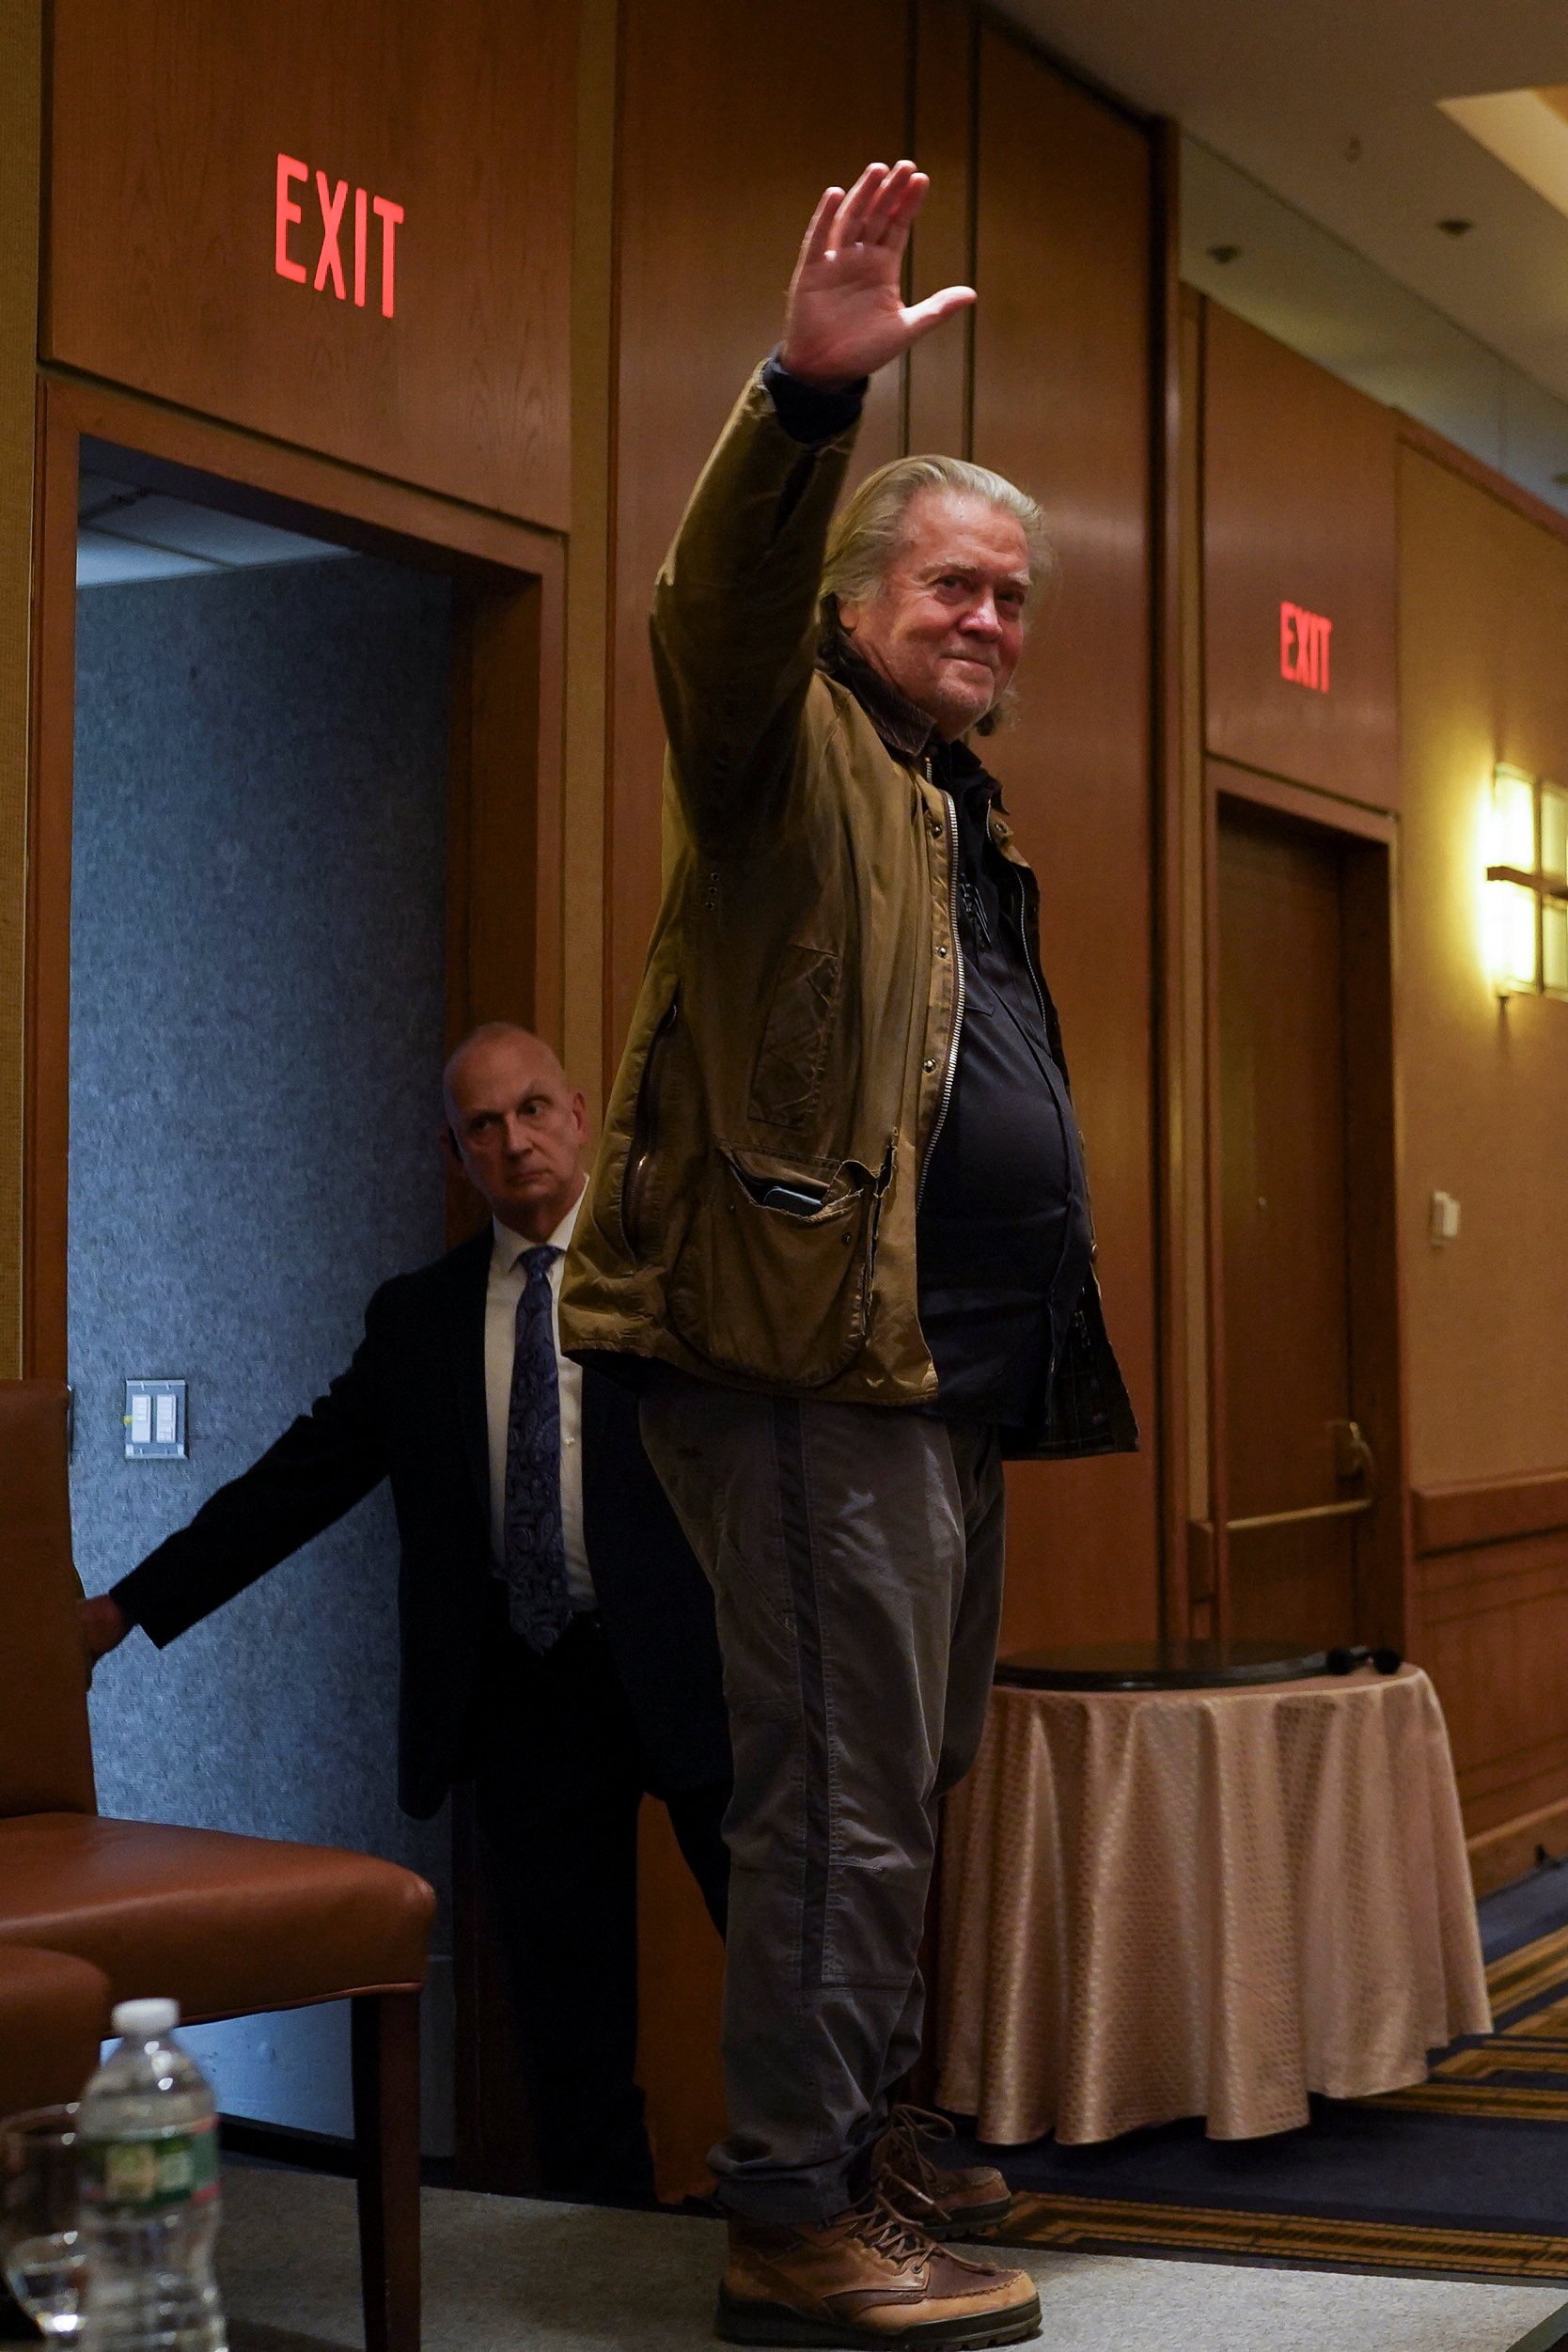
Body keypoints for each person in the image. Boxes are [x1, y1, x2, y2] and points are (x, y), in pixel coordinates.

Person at [561, 161, 1137, 2344]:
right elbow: (710, 606)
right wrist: (809, 395)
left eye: (1013, 597)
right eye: (954, 585)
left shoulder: (952, 807)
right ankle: (794, 2210)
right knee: (842, 1802)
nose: (987, 620)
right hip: (795, 1368)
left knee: (908, 1787)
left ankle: (863, 2136)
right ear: (862, 595)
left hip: (935, 1377)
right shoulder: (782, 743)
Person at [80, 1024, 731, 2207]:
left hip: (704, 1673)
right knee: (567, 2023)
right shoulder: (419, 1320)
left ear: (580, 1117)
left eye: (534, 1109)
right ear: (455, 1151)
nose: (514, 1139)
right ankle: (616, 2253)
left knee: (789, 1964)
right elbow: (297, 1482)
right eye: (484, 1124)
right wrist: (125, 1607)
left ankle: (824, 2208)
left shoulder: (676, 1280)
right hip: (528, 1690)